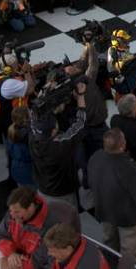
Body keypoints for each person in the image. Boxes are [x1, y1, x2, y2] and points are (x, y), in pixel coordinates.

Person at [86, 128, 136, 268]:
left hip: (105, 210)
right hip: (128, 218)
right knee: (130, 251)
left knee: (110, 242)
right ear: (123, 145)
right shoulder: (128, 167)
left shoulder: (95, 157)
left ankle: (109, 263)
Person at [30, 82, 87, 210]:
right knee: (68, 223)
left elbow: (34, 115)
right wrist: (81, 95)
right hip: (62, 193)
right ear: (53, 130)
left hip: (43, 189)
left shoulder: (33, 137)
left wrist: (45, 90)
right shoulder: (58, 147)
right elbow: (80, 125)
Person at [0, 186, 80, 269]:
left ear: (31, 207)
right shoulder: (14, 213)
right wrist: (11, 253)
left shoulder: (50, 229)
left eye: (17, 212)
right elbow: (1, 235)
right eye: (10, 211)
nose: (12, 215)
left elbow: (42, 262)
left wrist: (15, 263)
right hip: (16, 256)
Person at [43, 222, 110, 269]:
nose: (49, 253)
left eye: (54, 251)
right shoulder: (81, 242)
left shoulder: (82, 265)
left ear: (68, 249)